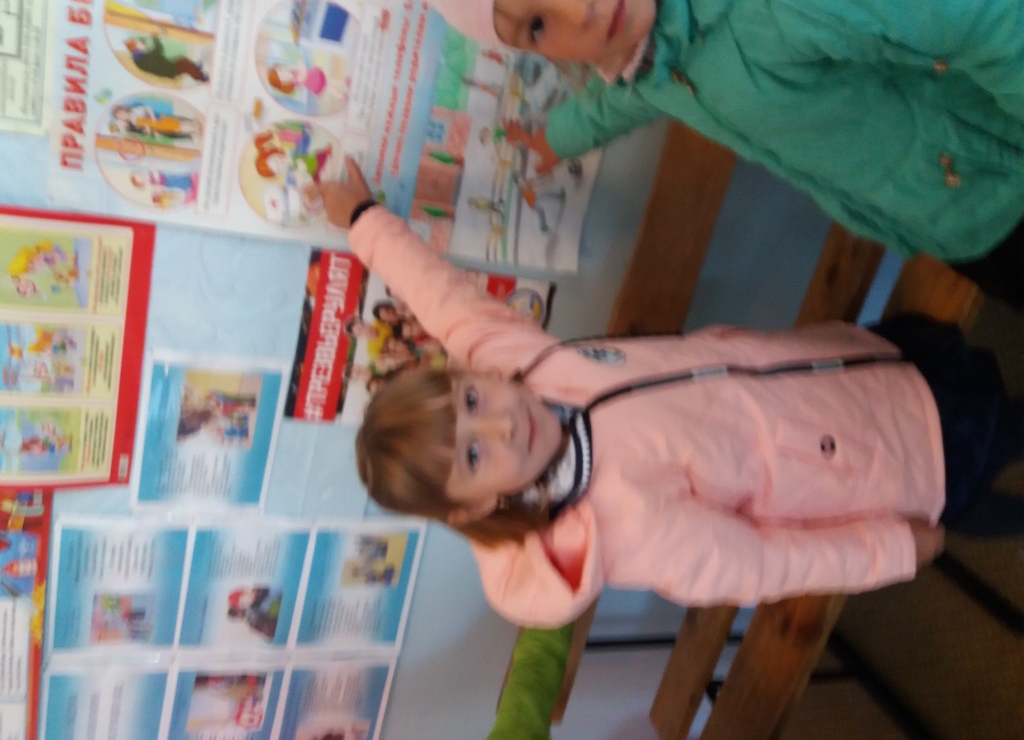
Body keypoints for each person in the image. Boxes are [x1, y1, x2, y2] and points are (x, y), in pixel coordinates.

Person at [322, 159, 1024, 627]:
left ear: (470, 376)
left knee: (987, 373)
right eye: (474, 457)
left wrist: (364, 223)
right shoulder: (623, 527)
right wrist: (890, 551)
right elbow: (763, 564)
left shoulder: (524, 368)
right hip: (910, 466)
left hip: (861, 367)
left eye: (472, 404)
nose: (502, 426)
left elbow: (446, 302)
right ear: (475, 506)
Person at [400, 0, 1024, 309]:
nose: (577, 9)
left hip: (1000, 181)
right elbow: (628, 96)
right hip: (949, 220)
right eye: (538, 26)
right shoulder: (651, 55)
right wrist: (557, 137)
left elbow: (993, 19)